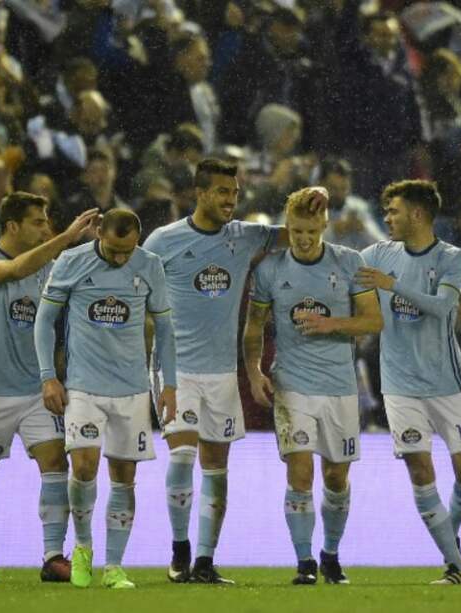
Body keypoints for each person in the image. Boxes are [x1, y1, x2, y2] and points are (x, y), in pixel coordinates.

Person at [142, 158, 326, 583]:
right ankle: (179, 551)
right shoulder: (163, 241)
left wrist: (321, 199)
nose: (231, 200)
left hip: (221, 373)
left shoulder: (243, 237)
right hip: (176, 368)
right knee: (183, 454)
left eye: (236, 193)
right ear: (200, 192)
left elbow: (300, 231)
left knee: (216, 468)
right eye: (223, 192)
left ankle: (205, 561)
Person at [243, 187, 382, 585]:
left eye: (311, 231)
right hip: (292, 383)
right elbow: (254, 327)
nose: (304, 239)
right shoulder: (270, 270)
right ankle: (304, 562)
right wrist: (255, 371)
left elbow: (373, 321)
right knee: (300, 474)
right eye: (296, 230)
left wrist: (332, 324)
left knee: (336, 478)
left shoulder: (350, 263)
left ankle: (331, 554)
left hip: (340, 386)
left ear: (325, 226)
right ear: (288, 227)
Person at [0, 193, 98, 583]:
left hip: (37, 391)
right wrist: (68, 237)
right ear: (12, 226)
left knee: (56, 464)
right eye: (38, 221)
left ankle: (54, 556)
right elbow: (15, 269)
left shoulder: (51, 269)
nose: (45, 227)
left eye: (47, 220)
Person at [34, 209, 177, 589]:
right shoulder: (71, 262)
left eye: (127, 251)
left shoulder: (150, 266)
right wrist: (49, 377)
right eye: (113, 250)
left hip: (131, 389)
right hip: (83, 386)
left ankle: (114, 566)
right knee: (83, 467)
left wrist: (170, 385)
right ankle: (82, 547)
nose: (120, 258)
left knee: (124, 477)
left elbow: (165, 328)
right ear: (99, 232)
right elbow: (44, 320)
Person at [357, 180, 461, 585]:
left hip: (446, 383)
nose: (386, 218)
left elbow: (444, 306)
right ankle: (454, 565)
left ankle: (451, 534)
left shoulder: (452, 258)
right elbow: (341, 267)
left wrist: (392, 285)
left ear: (416, 214)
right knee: (420, 469)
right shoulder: (378, 253)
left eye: (393, 211)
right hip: (399, 385)